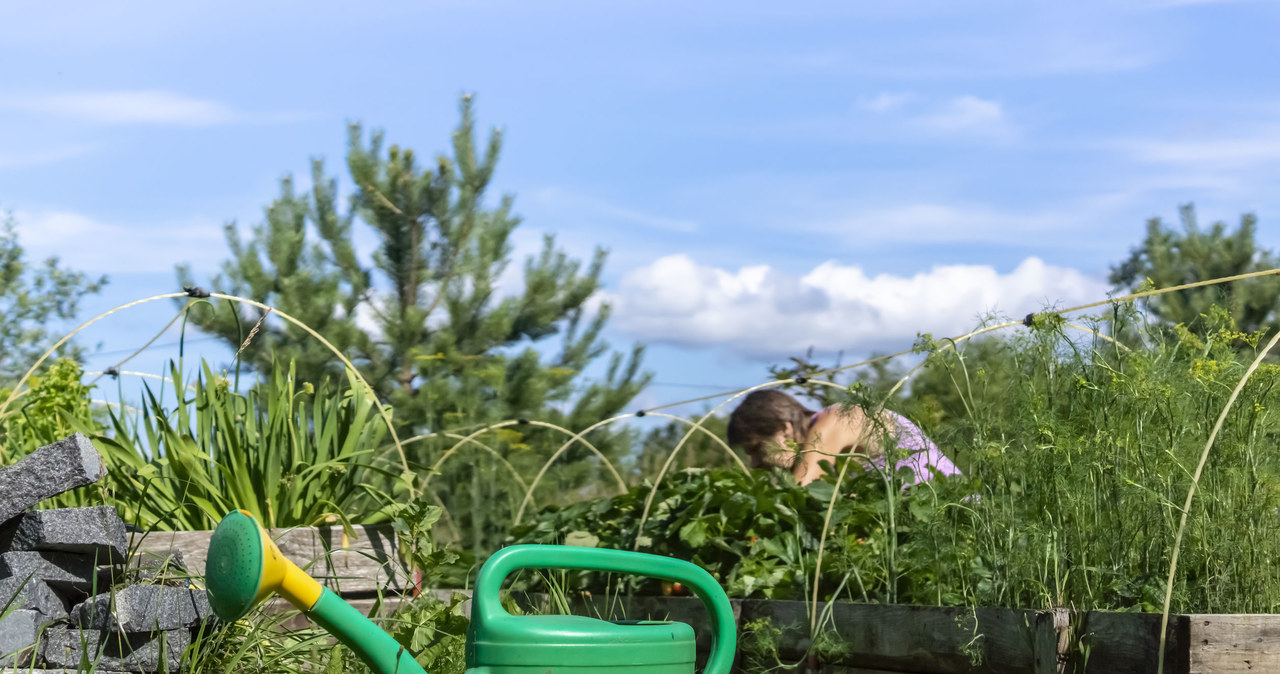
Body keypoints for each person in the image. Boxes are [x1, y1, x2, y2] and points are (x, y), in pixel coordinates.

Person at [726, 389, 960, 486]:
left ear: (784, 428)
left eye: (756, 449)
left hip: (956, 521)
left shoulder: (833, 422)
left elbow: (801, 500)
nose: (755, 464)